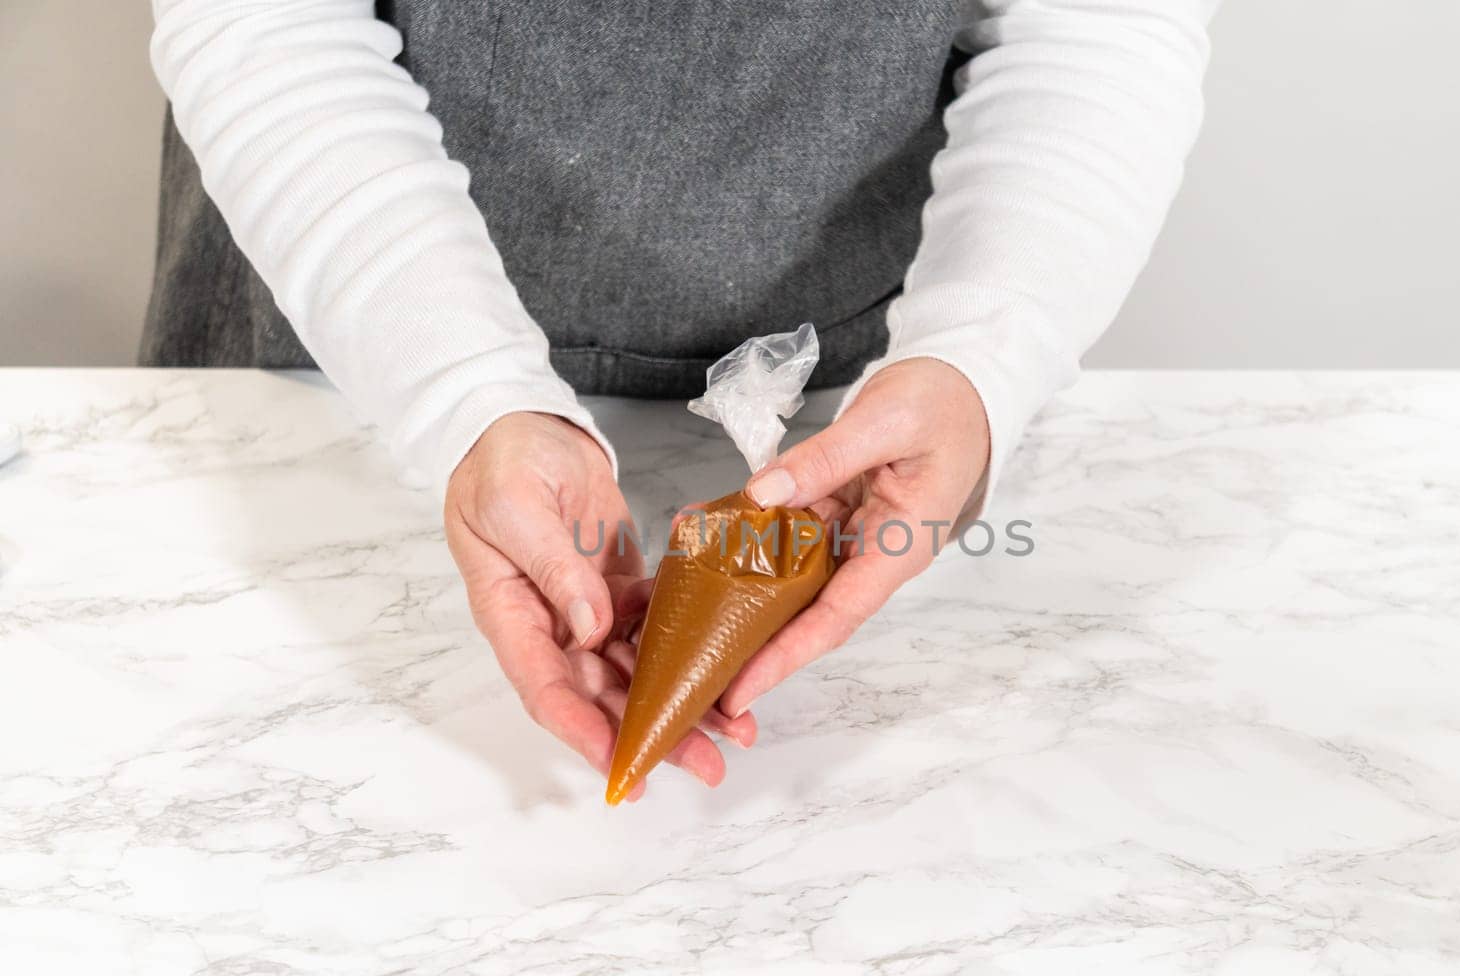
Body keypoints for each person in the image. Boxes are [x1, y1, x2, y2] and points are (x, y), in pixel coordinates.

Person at [142, 0, 1217, 798]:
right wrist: (462, 392)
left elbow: (1096, 26)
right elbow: (266, 26)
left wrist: (982, 355)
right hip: (343, 349)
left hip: (849, 402)